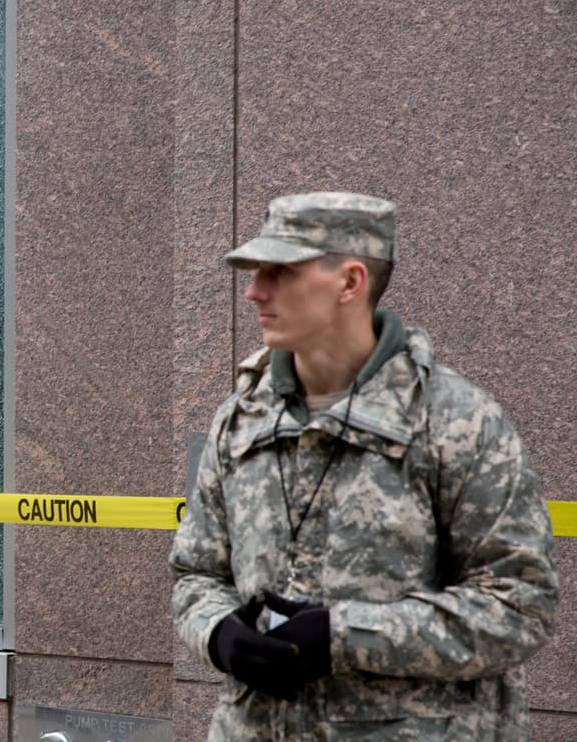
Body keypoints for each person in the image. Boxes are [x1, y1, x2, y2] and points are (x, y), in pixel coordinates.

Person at [170, 192, 558, 739]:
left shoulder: (454, 421)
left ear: (350, 282)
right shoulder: (242, 418)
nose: (254, 291)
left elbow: (520, 607)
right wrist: (218, 634)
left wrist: (344, 635)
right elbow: (196, 574)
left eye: (280, 271)